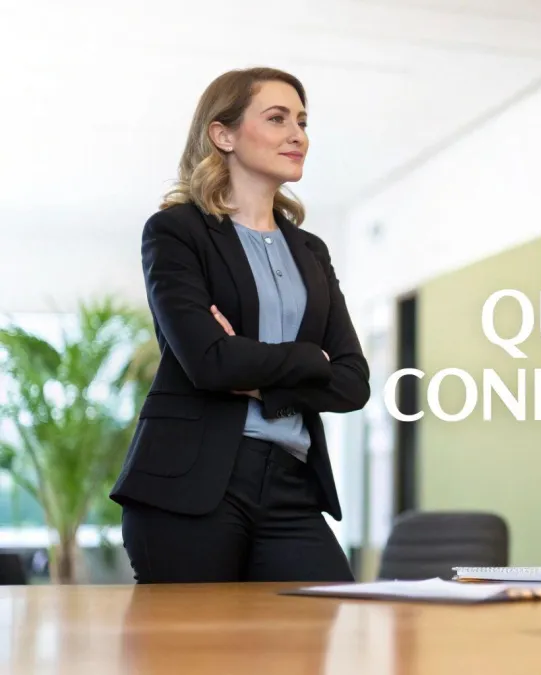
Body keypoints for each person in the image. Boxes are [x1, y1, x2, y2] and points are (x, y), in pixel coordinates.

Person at [109, 67, 370, 583]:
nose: (298, 135)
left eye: (301, 121)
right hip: (190, 484)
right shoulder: (177, 232)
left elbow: (353, 382)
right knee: (196, 660)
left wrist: (252, 374)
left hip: (292, 484)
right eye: (277, 119)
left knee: (323, 633)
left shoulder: (310, 251)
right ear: (222, 134)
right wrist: (305, 361)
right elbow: (208, 362)